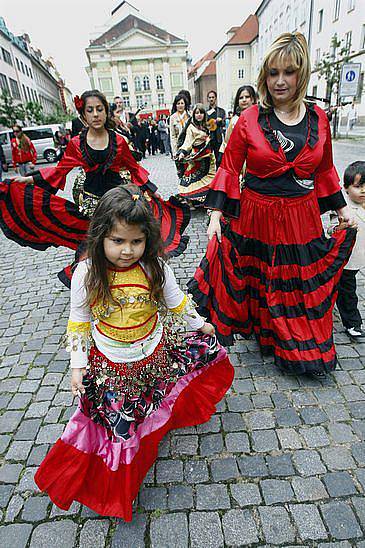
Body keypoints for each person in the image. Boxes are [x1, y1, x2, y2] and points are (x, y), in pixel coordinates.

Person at [34, 184, 233, 521]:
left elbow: (176, 301)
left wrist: (200, 324)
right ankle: (120, 483)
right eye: (118, 241)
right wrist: (77, 365)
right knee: (122, 425)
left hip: (153, 352)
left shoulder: (155, 266)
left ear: (147, 239)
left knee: (151, 399)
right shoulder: (87, 273)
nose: (127, 250)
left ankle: (152, 430)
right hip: (112, 364)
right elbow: (79, 320)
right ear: (100, 238)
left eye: (136, 241)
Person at [188, 32, 357, 378]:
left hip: (301, 215)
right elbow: (230, 168)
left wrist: (343, 211)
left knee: (296, 280)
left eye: (289, 73)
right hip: (257, 212)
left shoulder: (318, 118)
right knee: (262, 276)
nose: (280, 81)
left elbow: (324, 170)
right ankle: (267, 335)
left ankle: (292, 340)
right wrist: (216, 215)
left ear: (302, 74)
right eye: (273, 73)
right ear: (265, 76)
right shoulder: (249, 119)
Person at [0, 90, 191, 286]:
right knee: (98, 239)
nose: (95, 114)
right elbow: (59, 170)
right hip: (91, 201)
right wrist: (28, 180)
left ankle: (131, 278)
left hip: (118, 197)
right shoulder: (76, 144)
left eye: (99, 109)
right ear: (83, 115)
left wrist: (151, 190)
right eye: (90, 110)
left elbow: (133, 168)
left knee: (122, 235)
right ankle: (100, 281)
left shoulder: (118, 140)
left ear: (106, 112)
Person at [335, 161, 365, 341]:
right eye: (358, 186)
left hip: (358, 259)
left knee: (342, 287)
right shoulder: (342, 208)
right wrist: (339, 228)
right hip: (345, 260)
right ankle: (353, 323)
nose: (363, 190)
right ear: (346, 188)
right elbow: (330, 230)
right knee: (347, 291)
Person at [176, 104, 215, 206]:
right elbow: (187, 142)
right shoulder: (191, 127)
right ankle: (191, 200)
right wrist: (182, 152)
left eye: (201, 112)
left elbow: (215, 133)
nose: (199, 115)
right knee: (193, 179)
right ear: (194, 114)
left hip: (208, 156)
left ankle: (208, 199)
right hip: (197, 156)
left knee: (211, 177)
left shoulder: (208, 125)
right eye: (197, 113)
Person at [220, 85, 257, 154]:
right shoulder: (234, 120)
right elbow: (227, 142)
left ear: (253, 99)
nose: (244, 100)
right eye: (241, 98)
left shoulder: (260, 118)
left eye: (247, 97)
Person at [206, 90, 226, 168]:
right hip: (209, 138)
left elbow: (224, 123)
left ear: (216, 98)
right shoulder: (205, 112)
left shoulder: (221, 111)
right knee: (208, 159)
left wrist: (220, 121)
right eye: (210, 97)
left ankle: (219, 176)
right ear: (207, 99)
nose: (211, 99)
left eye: (213, 97)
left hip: (218, 138)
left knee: (219, 159)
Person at [169, 93, 190, 158]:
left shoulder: (190, 115)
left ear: (185, 104)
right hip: (179, 146)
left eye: (182, 103)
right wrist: (174, 152)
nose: (180, 105)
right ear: (175, 105)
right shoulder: (172, 117)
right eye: (178, 103)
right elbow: (172, 136)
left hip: (189, 146)